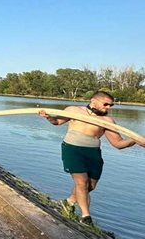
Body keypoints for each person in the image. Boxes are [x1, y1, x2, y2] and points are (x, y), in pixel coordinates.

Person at [39, 91, 144, 225]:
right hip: (72, 149)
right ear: (93, 101)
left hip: (93, 153)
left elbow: (118, 144)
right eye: (105, 104)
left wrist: (134, 140)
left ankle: (69, 202)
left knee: (90, 186)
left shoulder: (108, 121)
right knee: (81, 182)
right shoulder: (73, 110)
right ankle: (86, 217)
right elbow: (57, 121)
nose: (108, 108)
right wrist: (48, 117)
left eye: (110, 105)